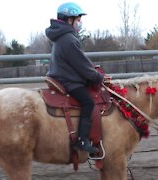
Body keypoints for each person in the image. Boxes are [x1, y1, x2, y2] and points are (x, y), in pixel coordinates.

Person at [45, 2, 103, 154]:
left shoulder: (62, 36)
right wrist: (96, 76)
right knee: (88, 102)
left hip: (62, 75)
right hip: (68, 80)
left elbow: (80, 61)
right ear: (69, 20)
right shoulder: (68, 39)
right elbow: (82, 64)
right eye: (78, 20)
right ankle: (82, 140)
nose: (80, 23)